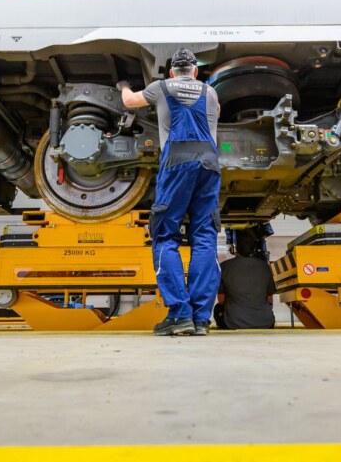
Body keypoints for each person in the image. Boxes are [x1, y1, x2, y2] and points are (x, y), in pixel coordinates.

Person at [118, 48, 221, 337]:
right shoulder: (210, 93)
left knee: (165, 236)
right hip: (209, 164)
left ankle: (179, 315)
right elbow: (217, 116)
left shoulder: (160, 87)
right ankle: (201, 318)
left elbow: (129, 101)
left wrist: (123, 85)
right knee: (205, 237)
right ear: (195, 71)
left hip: (177, 162)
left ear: (173, 71)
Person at [214, 235, 277, 330]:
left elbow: (221, 300)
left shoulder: (224, 267)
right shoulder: (265, 267)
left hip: (233, 323)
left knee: (217, 308)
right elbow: (269, 300)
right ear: (254, 249)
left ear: (236, 248)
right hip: (266, 323)